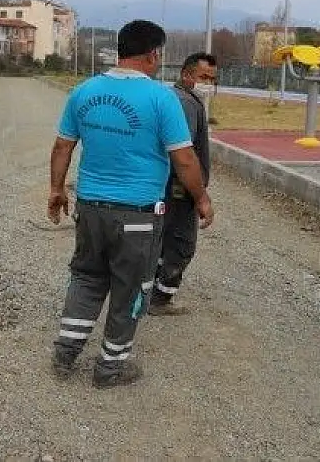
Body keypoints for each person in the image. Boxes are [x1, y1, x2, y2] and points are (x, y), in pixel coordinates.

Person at [48, 19, 214, 388]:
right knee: (130, 287)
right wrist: (200, 197)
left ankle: (65, 353)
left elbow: (63, 146)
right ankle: (110, 369)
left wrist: (56, 189)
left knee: (87, 277)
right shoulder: (161, 99)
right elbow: (184, 160)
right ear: (154, 54)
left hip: (89, 207)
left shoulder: (84, 91)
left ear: (121, 50)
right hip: (137, 215)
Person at [150, 52, 217, 316]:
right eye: (203, 77)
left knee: (163, 238)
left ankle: (149, 291)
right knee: (182, 243)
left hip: (166, 184)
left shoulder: (176, 97)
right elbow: (184, 153)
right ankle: (160, 299)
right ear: (186, 75)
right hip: (179, 186)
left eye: (213, 79)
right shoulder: (187, 103)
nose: (208, 84)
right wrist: (198, 194)